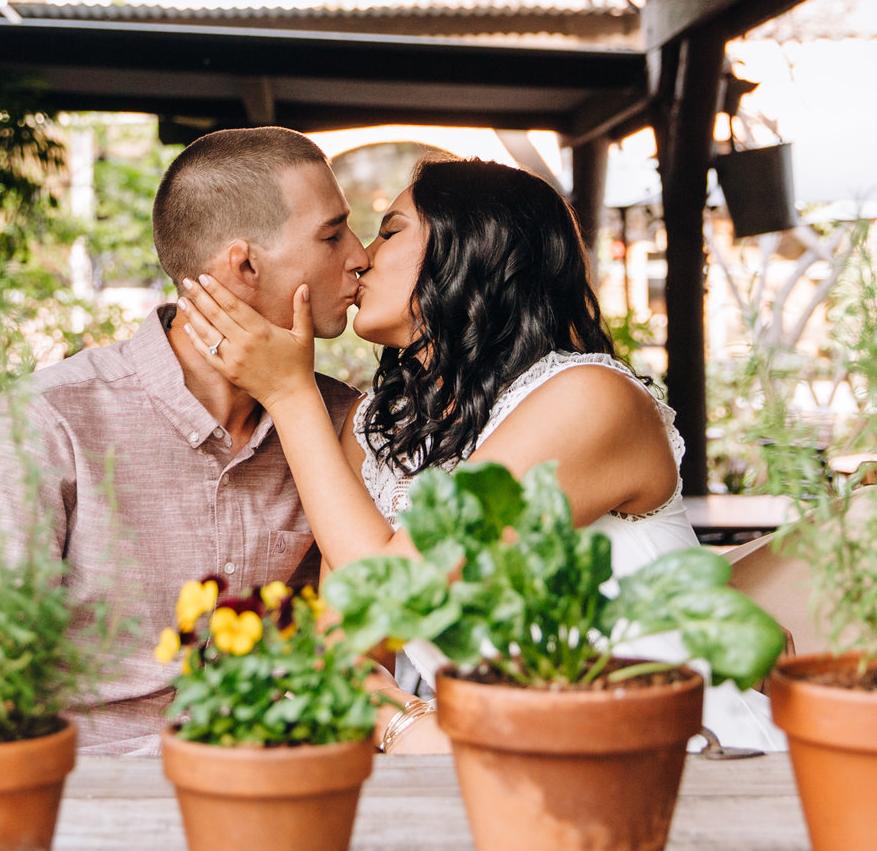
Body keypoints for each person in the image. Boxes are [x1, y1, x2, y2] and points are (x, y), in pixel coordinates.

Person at [178, 156, 694, 753]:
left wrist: (290, 396)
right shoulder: (377, 428)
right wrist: (421, 730)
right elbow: (345, 653)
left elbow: (398, 593)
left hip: (658, 748)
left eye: (390, 230)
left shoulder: (589, 399)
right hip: (497, 755)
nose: (362, 256)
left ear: (476, 248)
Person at [0, 126, 369, 755]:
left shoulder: (335, 425)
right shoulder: (54, 419)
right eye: (333, 235)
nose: (360, 256)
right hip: (80, 780)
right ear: (245, 266)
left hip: (262, 780)